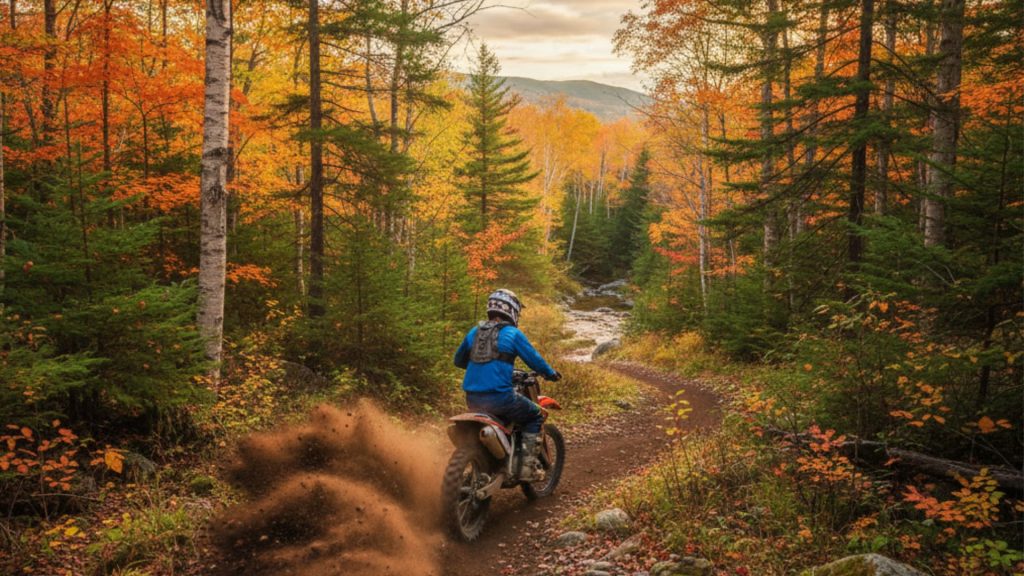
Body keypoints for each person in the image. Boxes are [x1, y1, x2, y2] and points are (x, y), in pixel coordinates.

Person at [454, 289, 561, 481]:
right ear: (512, 310)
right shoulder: (512, 333)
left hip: (472, 399)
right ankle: (527, 469)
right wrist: (550, 373)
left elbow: (459, 360)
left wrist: (483, 366)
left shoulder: (474, 332)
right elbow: (534, 360)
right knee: (535, 415)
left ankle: (491, 461)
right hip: (501, 398)